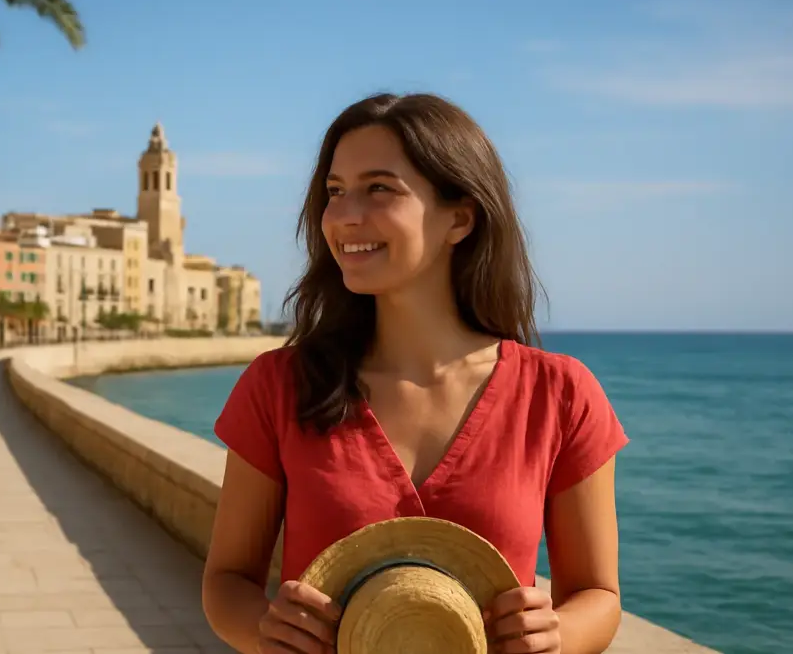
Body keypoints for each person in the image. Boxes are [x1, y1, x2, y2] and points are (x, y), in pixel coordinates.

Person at [201, 93, 628, 654]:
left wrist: (560, 634)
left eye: (379, 188)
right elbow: (226, 582)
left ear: (460, 217)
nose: (345, 215)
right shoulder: (278, 385)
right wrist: (263, 630)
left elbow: (598, 594)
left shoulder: (561, 395)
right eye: (334, 191)